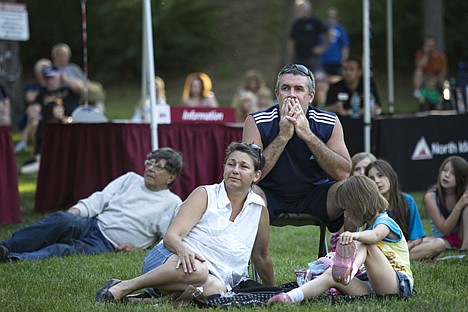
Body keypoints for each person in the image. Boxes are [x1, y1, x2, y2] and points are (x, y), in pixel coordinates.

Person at [95, 142, 275, 305]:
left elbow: (260, 256)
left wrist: (274, 293)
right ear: (224, 167)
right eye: (231, 164)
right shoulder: (205, 194)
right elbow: (171, 237)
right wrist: (184, 250)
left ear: (256, 175)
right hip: (169, 259)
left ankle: (144, 302)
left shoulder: (259, 210)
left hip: (212, 276)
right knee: (199, 270)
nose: (235, 170)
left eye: (243, 166)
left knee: (217, 290)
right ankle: (124, 286)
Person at [0, 148, 183, 262]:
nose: (150, 168)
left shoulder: (173, 204)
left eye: (159, 166)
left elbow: (167, 240)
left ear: (171, 177)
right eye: (149, 162)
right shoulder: (130, 178)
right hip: (93, 224)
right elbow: (100, 199)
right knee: (62, 219)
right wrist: (74, 213)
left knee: (62, 250)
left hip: (108, 244)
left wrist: (139, 249)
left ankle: (12, 258)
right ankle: (6, 246)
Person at [267, 175, 413, 305]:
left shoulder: (385, 222)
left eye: (346, 209)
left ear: (359, 206)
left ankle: (349, 271)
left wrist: (354, 236)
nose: (346, 215)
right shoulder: (365, 230)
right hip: (371, 286)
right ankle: (290, 297)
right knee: (331, 275)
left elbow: (375, 236)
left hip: (396, 285)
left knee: (365, 244)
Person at [242, 63, 352, 234]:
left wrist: (308, 135)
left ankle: (345, 255)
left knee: (351, 188)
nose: (291, 95)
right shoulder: (257, 121)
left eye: (299, 89)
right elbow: (250, 176)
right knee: (248, 191)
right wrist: (283, 136)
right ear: (277, 94)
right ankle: (257, 258)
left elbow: (343, 173)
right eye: (286, 88)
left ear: (310, 96)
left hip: (316, 194)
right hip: (269, 193)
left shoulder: (328, 121)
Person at [366, 160, 445, 260]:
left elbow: (417, 237)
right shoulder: (368, 204)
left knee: (439, 243)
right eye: (372, 178)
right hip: (379, 249)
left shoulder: (407, 201)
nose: (377, 181)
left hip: (405, 246)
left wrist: (409, 245)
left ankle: (395, 258)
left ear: (391, 176)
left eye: (380, 175)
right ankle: (395, 258)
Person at [330, 151, 377, 249]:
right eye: (357, 169)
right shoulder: (346, 198)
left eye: (365, 168)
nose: (362, 172)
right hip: (348, 243)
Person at [423, 156, 468, 251]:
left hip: (462, 237)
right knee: (420, 242)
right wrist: (459, 205)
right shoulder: (431, 197)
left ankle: (465, 247)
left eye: (453, 173)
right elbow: (445, 230)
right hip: (443, 241)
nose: (446, 175)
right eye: (445, 170)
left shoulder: (465, 193)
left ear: (462, 178)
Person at [15, 59, 51, 153]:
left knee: (35, 118)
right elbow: (30, 99)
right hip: (33, 115)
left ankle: (25, 142)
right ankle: (36, 150)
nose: (44, 72)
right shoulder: (32, 85)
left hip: (46, 113)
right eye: (41, 70)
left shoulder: (52, 85)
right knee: (35, 116)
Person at [288, 0, 331, 73]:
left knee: (317, 77)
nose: (298, 11)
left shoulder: (315, 21)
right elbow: (292, 40)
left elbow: (328, 33)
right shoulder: (297, 24)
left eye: (299, 9)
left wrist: (322, 48)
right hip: (299, 57)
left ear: (306, 9)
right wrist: (293, 54)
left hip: (312, 56)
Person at [320, 8, 350, 76]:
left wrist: (344, 60)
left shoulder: (340, 29)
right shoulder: (323, 28)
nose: (331, 19)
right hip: (325, 60)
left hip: (337, 60)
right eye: (330, 17)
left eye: (333, 17)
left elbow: (345, 46)